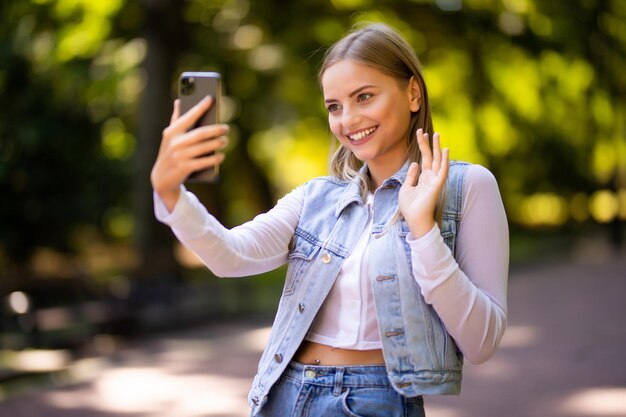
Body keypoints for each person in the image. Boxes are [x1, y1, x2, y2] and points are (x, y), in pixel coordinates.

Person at [151, 23, 508, 417]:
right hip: (283, 394)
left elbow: (482, 343)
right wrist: (171, 193)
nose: (348, 120)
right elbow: (230, 255)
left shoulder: (467, 186)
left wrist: (423, 230)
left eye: (364, 97)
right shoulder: (316, 197)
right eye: (334, 106)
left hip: (376, 400)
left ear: (412, 93)